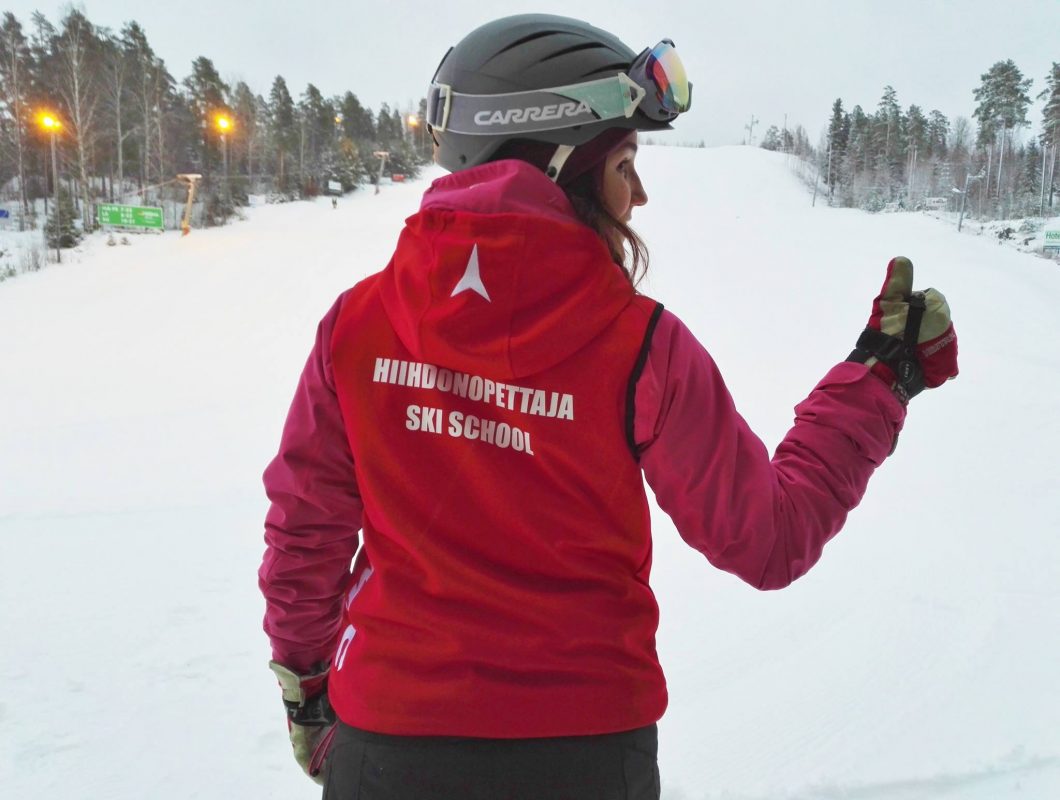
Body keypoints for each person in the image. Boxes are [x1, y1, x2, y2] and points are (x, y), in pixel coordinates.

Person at [258, 14, 957, 800]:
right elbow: (769, 537)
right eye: (626, 162)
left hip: (387, 745)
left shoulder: (357, 325)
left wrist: (307, 686)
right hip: (583, 755)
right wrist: (881, 379)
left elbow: (304, 534)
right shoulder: (642, 346)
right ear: (561, 164)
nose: (642, 194)